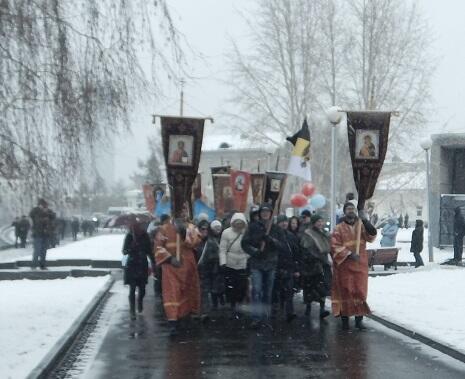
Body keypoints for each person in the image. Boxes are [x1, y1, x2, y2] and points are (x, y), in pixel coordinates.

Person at [331, 202, 377, 330]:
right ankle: (345, 321)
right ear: (344, 211)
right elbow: (334, 246)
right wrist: (349, 254)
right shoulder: (338, 228)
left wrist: (366, 220)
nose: (351, 211)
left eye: (353, 209)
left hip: (360, 264)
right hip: (345, 265)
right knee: (346, 292)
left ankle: (359, 321)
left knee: (360, 292)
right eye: (348, 209)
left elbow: (372, 235)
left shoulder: (361, 225)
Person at [154, 217, 202, 336]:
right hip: (171, 267)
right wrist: (170, 258)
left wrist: (184, 232)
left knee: (188, 291)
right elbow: (158, 247)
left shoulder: (190, 227)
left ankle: (185, 318)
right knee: (172, 293)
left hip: (187, 265)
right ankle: (173, 322)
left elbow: (196, 241)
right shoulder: (164, 229)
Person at [241, 203, 281, 328]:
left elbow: (281, 245)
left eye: (267, 212)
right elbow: (244, 243)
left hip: (270, 264)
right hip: (257, 264)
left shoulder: (275, 228)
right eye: (263, 212)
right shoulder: (253, 227)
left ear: (270, 214)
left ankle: (266, 317)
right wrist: (255, 251)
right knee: (257, 291)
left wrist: (271, 241)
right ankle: (256, 317)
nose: (265, 214)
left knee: (268, 292)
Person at [300, 214, 331, 320]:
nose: (320, 223)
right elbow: (306, 248)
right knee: (310, 288)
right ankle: (308, 307)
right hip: (311, 265)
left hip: (323, 265)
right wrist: (316, 257)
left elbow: (328, 246)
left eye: (321, 221)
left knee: (322, 287)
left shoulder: (325, 233)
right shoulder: (308, 234)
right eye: (318, 221)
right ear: (314, 222)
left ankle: (322, 309)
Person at [122, 221, 154, 320]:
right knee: (132, 289)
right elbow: (124, 251)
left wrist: (154, 263)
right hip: (132, 265)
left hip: (142, 265)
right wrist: (131, 247)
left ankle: (140, 302)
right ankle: (132, 311)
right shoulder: (129, 236)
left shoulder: (145, 236)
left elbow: (149, 251)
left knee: (142, 289)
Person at [219, 213, 248, 318]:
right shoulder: (226, 233)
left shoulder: (246, 233)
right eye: (237, 222)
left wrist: (247, 257)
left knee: (242, 287)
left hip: (243, 263)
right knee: (231, 286)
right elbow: (222, 249)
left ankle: (239, 305)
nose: (239, 225)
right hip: (230, 264)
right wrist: (223, 262)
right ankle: (233, 305)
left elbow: (249, 246)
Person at [272, 215, 300, 323]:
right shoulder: (273, 235)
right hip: (276, 266)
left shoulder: (291, 236)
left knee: (289, 290)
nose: (284, 224)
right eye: (281, 222)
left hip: (289, 266)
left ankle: (289, 312)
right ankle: (275, 310)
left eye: (285, 222)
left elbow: (296, 253)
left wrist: (297, 268)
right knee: (276, 290)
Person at [198, 220, 225, 320]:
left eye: (206, 229)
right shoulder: (196, 241)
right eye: (202, 229)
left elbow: (218, 254)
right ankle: (205, 312)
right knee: (204, 291)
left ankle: (214, 307)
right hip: (202, 269)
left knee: (214, 290)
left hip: (213, 269)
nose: (204, 231)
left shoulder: (213, 241)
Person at [29, 199, 55, 270]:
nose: (44, 207)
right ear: (39, 205)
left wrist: (48, 213)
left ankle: (42, 265)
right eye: (43, 206)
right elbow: (33, 216)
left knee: (44, 250)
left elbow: (53, 216)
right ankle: (34, 265)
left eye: (45, 206)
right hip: (38, 234)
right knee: (37, 250)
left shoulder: (48, 211)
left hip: (45, 234)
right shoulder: (35, 211)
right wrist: (42, 214)